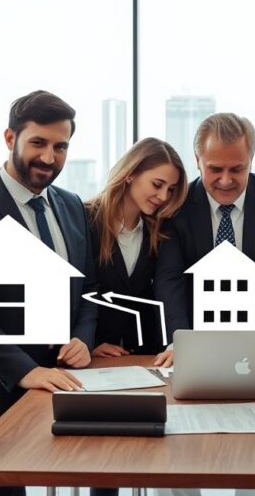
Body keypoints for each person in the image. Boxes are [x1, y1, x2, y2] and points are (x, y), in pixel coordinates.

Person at [0, 90, 98, 496]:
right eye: (38, 143)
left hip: (67, 381)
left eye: (60, 146)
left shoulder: (72, 207)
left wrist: (83, 339)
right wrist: (25, 371)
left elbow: (88, 287)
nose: (50, 157)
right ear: (10, 139)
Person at [153, 113, 255, 366]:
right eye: (215, 169)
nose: (226, 180)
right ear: (198, 161)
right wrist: (178, 341)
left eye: (237, 169)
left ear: (251, 161)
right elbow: (170, 279)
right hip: (198, 345)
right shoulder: (177, 206)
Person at [87, 138, 189, 359]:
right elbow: (74, 292)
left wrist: (173, 345)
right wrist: (88, 343)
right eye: (157, 184)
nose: (163, 197)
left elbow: (166, 288)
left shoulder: (159, 231)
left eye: (171, 189)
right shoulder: (85, 219)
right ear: (131, 173)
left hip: (144, 355)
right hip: (93, 358)